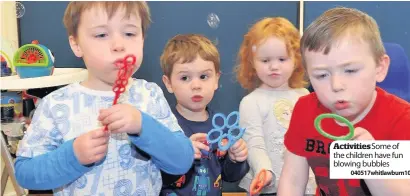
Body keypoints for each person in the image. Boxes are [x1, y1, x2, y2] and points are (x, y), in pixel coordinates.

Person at [14, 2, 194, 195]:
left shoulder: (150, 94)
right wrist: (73, 155)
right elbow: (25, 173)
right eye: (101, 35)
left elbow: (181, 160)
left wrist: (143, 125)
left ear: (142, 39)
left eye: (130, 33)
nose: (119, 45)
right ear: (76, 44)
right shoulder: (56, 104)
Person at [278, 7, 410, 196]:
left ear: (380, 68)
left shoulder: (402, 119)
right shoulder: (305, 109)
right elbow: (292, 181)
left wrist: (372, 161)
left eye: (350, 71)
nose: (336, 85)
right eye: (321, 75)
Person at [159, 34, 249, 196]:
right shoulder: (164, 126)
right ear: (168, 83)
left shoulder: (222, 127)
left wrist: (236, 160)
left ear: (216, 80)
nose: (196, 85)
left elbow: (230, 176)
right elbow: (156, 176)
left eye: (203, 77)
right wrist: (181, 155)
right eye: (185, 77)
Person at [235, 17, 316, 195]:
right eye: (265, 60)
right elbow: (254, 142)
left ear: (296, 59)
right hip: (269, 186)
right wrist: (264, 170)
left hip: (306, 186)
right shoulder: (251, 102)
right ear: (252, 62)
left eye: (282, 59)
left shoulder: (303, 95)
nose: (274, 66)